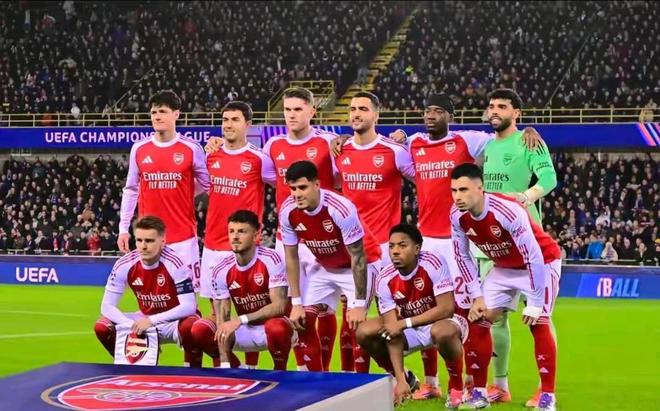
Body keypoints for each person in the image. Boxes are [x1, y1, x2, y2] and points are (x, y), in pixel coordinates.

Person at [381, 93, 543, 399]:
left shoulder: (468, 140)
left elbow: (504, 135)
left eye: (438, 111)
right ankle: (431, 383)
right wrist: (397, 134)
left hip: (460, 239)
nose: (431, 115)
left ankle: (469, 381)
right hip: (427, 239)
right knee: (426, 309)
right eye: (427, 110)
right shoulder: (414, 143)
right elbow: (387, 144)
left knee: (468, 314)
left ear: (450, 117)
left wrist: (527, 131)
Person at [206, 88, 344, 371]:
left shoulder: (328, 143)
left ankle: (325, 373)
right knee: (294, 310)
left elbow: (345, 176)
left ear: (312, 111)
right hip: (287, 240)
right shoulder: (272, 147)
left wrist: (398, 136)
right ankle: (302, 369)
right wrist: (217, 144)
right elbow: (267, 179)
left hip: (323, 240)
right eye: (287, 109)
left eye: (298, 109)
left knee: (321, 309)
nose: (291, 115)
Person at [450, 163, 561, 411]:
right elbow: (462, 256)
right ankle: (479, 394)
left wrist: (535, 303)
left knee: (539, 321)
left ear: (480, 189)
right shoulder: (456, 215)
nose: (457, 196)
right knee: (479, 318)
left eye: (464, 190)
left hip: (541, 262)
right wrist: (476, 296)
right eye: (454, 190)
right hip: (503, 266)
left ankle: (547, 396)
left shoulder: (507, 211)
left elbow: (533, 255)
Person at [480, 88, 557, 405]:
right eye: (491, 106)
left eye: (502, 106)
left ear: (517, 113)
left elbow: (549, 178)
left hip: (527, 240)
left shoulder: (528, 141)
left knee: (539, 317)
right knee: (494, 318)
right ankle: (500, 385)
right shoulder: (485, 145)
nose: (494, 110)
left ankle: (545, 388)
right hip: (491, 244)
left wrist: (526, 197)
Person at [334, 91, 415, 375]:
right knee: (352, 319)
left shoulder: (394, 151)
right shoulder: (340, 151)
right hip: (353, 250)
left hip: (385, 250)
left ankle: (409, 378)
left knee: (392, 318)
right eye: (352, 109)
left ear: (376, 115)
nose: (356, 113)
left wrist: (406, 137)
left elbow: (424, 180)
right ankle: (353, 381)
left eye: (363, 109)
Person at [193, 101, 275, 368]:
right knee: (217, 313)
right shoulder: (210, 157)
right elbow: (194, 187)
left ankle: (251, 367)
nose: (228, 124)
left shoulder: (259, 159)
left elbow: (282, 185)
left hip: (245, 248)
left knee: (250, 308)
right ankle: (227, 366)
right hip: (213, 245)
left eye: (235, 120)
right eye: (225, 119)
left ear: (247, 125)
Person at [279, 160, 382, 372]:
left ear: (317, 185)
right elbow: (291, 256)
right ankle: (317, 382)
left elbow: (358, 256)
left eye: (302, 187)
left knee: (357, 326)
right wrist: (296, 302)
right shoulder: (288, 211)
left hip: (361, 263)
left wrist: (359, 304)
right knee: (303, 320)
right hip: (325, 266)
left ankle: (365, 382)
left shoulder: (340, 209)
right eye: (293, 188)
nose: (297, 194)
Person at [356, 224, 466, 408]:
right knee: (364, 331)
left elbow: (446, 308)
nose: (395, 251)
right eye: (391, 246)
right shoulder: (384, 279)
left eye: (402, 245)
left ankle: (456, 387)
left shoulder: (433, 262)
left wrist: (404, 323)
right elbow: (392, 331)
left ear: (417, 248)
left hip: (443, 322)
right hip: (411, 330)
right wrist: (399, 379)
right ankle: (405, 379)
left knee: (443, 332)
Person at [118, 90, 209, 292]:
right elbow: (131, 190)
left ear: (176, 114)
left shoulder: (191, 148)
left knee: (187, 300)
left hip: (183, 238)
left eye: (162, 111)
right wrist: (123, 228)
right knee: (153, 298)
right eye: (153, 112)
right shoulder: (139, 149)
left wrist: (185, 192)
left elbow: (208, 185)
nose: (157, 117)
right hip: (149, 239)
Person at [93, 216, 202, 367]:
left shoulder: (175, 263)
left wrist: (151, 321)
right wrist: (130, 325)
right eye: (139, 240)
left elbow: (189, 306)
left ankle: (191, 371)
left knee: (191, 326)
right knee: (102, 327)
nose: (143, 246)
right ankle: (124, 363)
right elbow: (106, 306)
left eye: (149, 241)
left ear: (162, 242)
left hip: (173, 321)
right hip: (143, 318)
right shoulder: (124, 264)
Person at [193, 210, 293, 370]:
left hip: (272, 328)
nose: (235, 236)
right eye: (231, 231)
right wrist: (225, 364)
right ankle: (234, 369)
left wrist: (241, 319)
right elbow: (222, 320)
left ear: (256, 235)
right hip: (243, 331)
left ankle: (280, 372)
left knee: (276, 328)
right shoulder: (221, 269)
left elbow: (279, 307)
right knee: (201, 329)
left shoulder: (271, 259)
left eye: (241, 231)